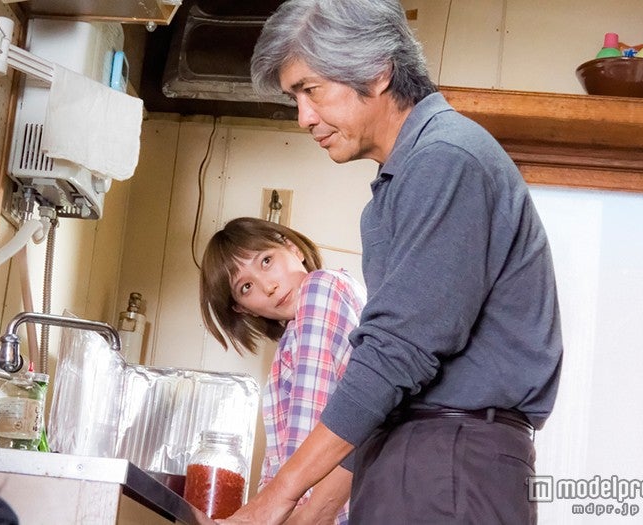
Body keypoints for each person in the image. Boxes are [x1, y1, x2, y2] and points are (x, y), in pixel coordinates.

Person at [219, 0, 564, 523]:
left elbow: (398, 352)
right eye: (295, 99)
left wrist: (276, 496)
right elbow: (392, 390)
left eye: (311, 90)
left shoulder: (445, 159)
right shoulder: (400, 182)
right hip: (417, 459)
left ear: (378, 72)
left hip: (449, 464)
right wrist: (306, 515)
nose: (303, 117)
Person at [199, 217, 367, 524]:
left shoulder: (321, 288)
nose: (269, 286)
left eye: (266, 261)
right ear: (242, 308)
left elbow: (309, 422)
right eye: (246, 287)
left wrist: (270, 513)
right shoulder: (294, 335)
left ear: (293, 248)